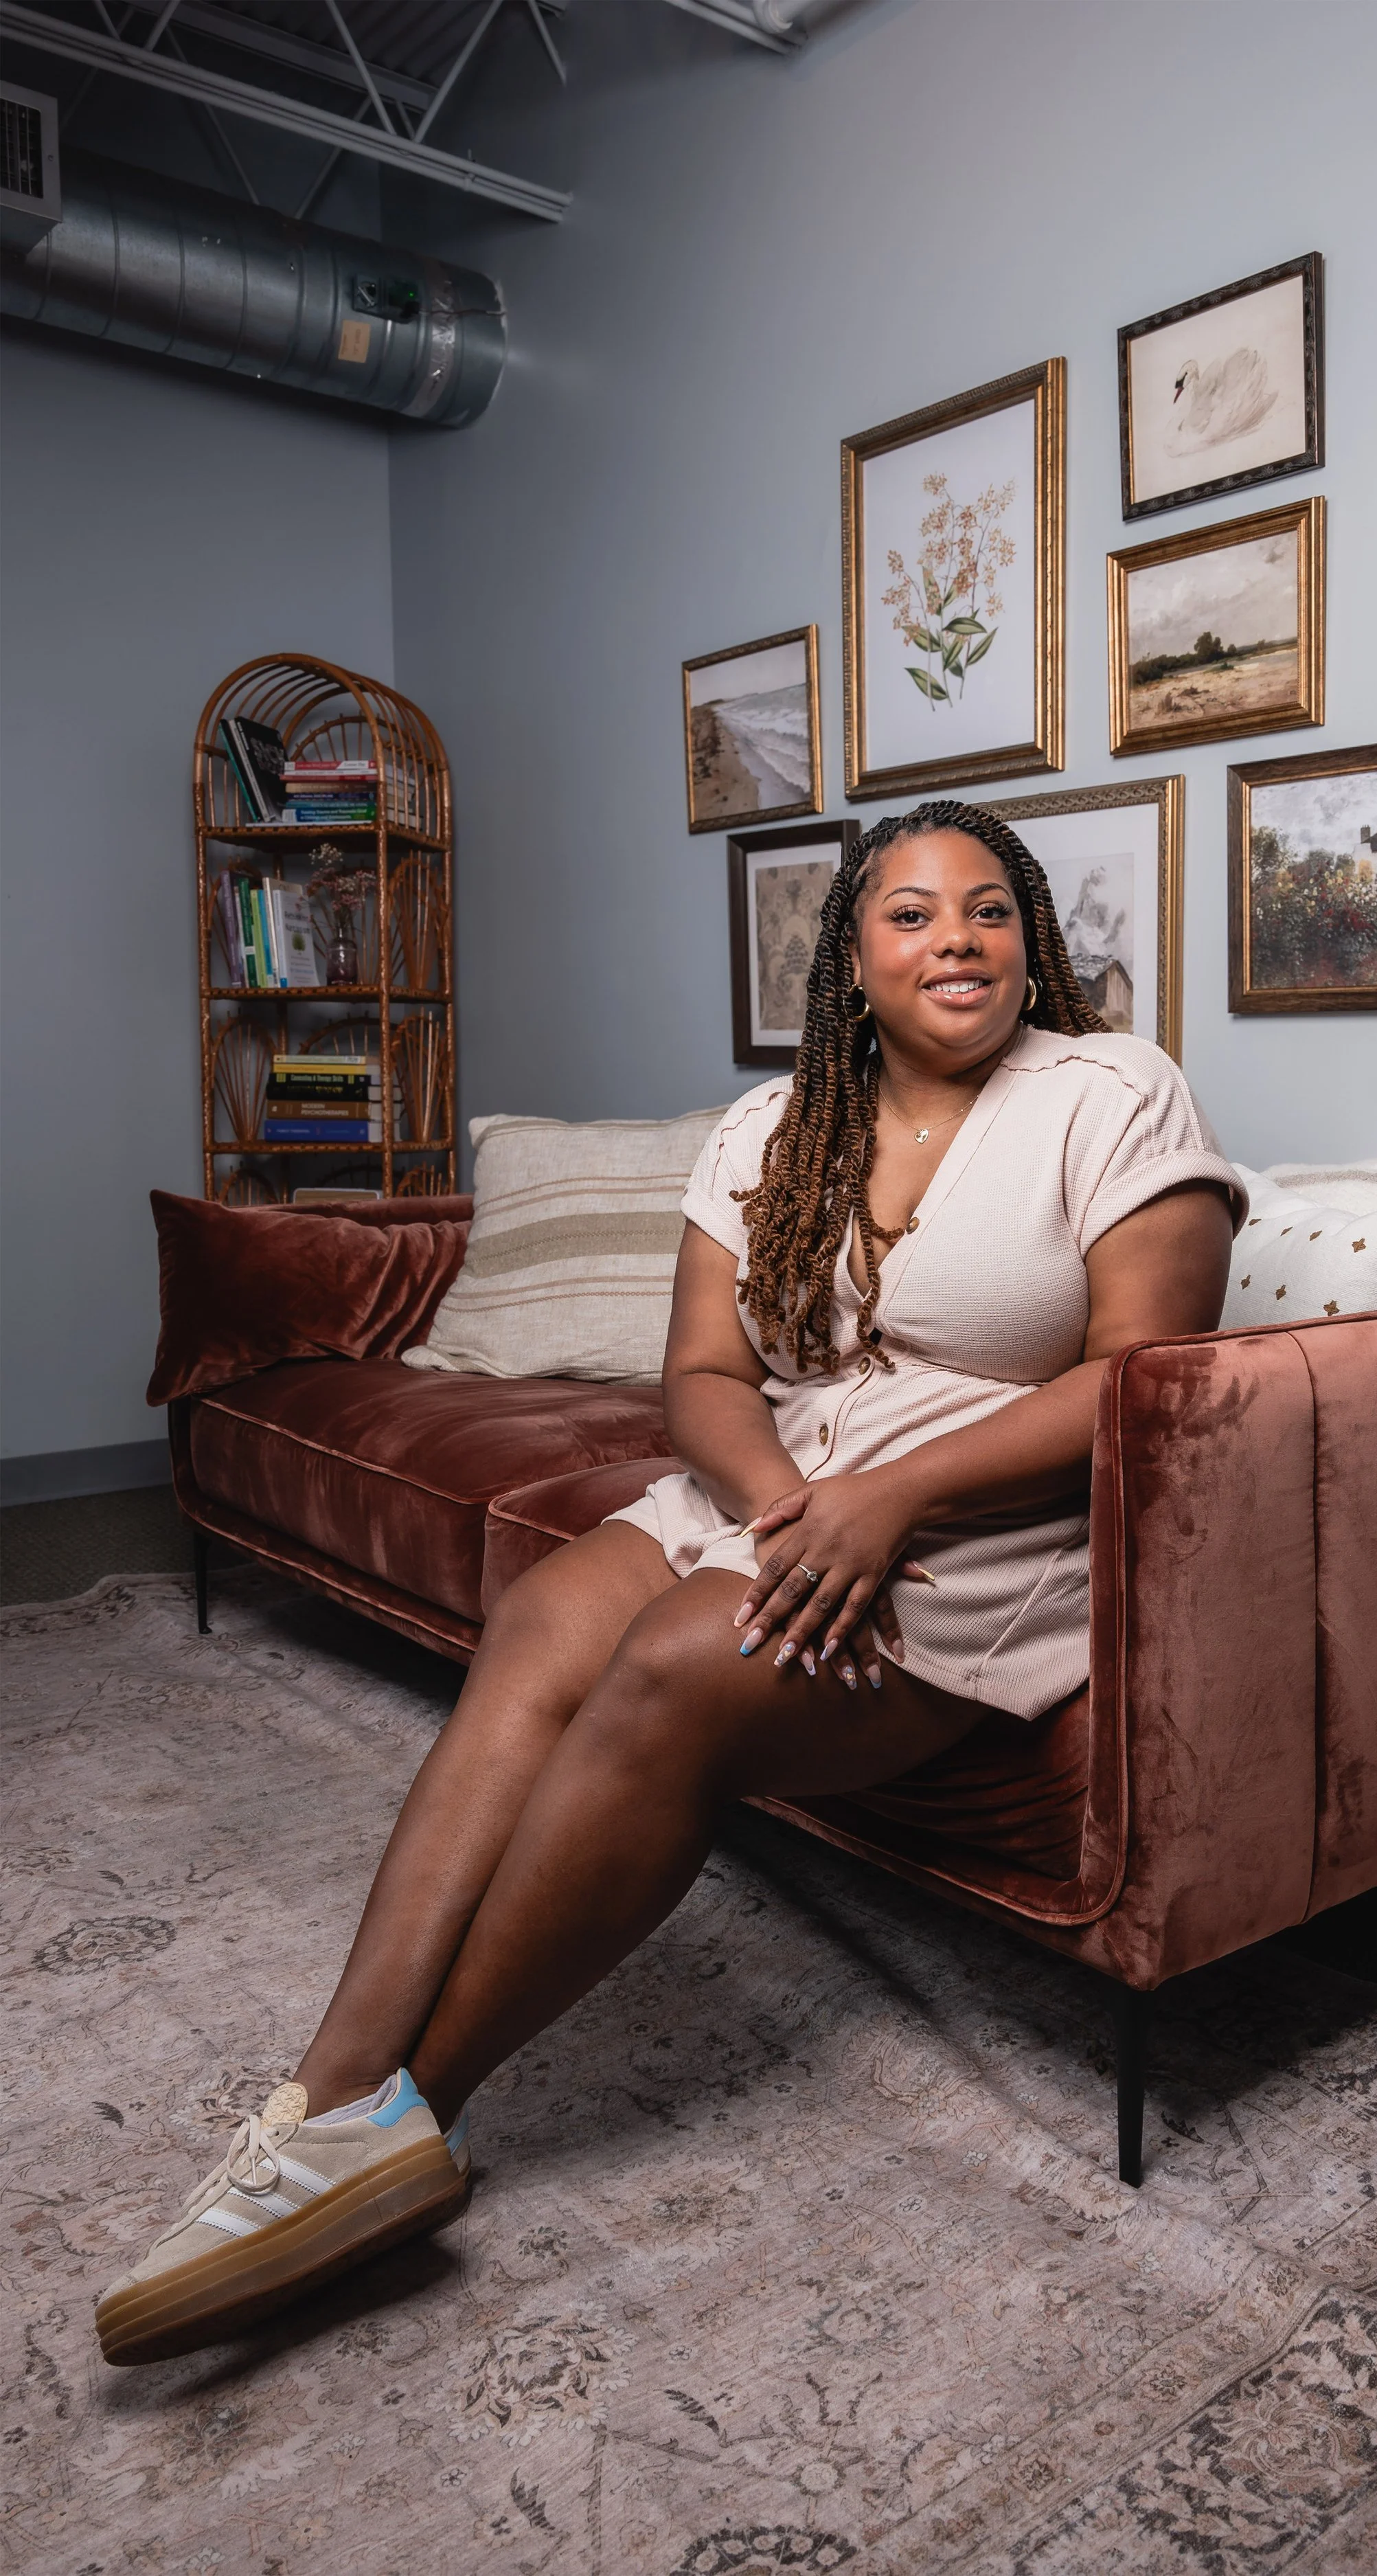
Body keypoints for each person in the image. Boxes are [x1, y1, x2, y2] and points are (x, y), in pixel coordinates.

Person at [96, 800, 1243, 2366]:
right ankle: (327, 2101)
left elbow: (1143, 1381)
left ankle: (416, 2116)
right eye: (907, 915)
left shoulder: (1110, 1091)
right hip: (768, 1495)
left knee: (667, 1671)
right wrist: (787, 1502)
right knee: (544, 1624)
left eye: (986, 910)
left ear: (1028, 939)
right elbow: (700, 1372)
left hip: (984, 1528)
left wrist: (884, 1499)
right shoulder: (768, 1128)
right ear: (849, 958)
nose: (954, 940)